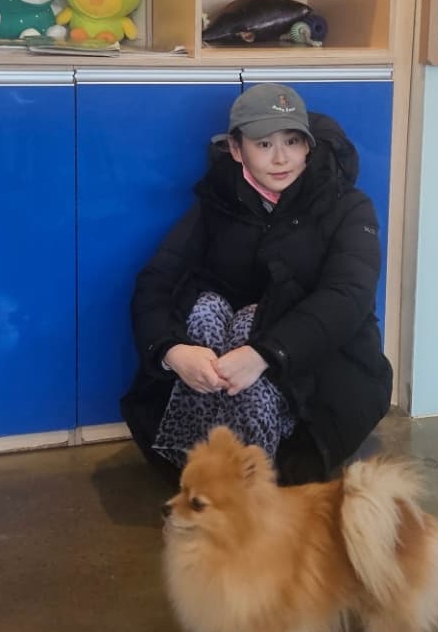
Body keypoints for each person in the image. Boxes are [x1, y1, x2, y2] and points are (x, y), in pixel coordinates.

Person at [121, 82, 392, 486]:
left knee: (253, 320)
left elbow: (348, 296)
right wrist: (171, 352)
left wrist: (266, 354)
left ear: (308, 146)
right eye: (264, 144)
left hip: (317, 370)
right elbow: (156, 281)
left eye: (292, 142)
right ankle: (209, 469)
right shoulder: (218, 202)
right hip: (224, 364)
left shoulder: (349, 207)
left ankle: (239, 480)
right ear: (236, 149)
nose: (281, 158)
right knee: (207, 307)